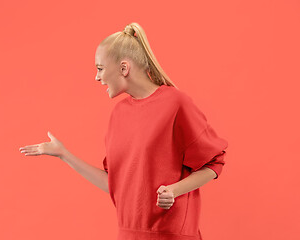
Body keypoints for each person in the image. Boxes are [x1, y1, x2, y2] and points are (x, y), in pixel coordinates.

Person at [19, 22, 228, 240]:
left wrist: (175, 190)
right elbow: (116, 185)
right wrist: (64, 154)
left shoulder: (176, 104)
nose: (97, 77)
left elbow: (215, 162)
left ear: (123, 68)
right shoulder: (118, 114)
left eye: (100, 68)